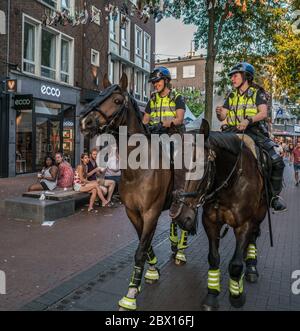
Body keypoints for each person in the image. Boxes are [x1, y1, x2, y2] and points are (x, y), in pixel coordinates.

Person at [216, 62, 287, 212]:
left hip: (253, 131)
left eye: (235, 76)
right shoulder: (232, 95)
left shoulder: (257, 93)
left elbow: (263, 113)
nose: (232, 79)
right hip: (232, 131)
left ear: (246, 76)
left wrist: (248, 120)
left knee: (277, 161)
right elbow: (224, 115)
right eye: (232, 76)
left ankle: (273, 197)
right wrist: (220, 113)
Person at [143, 66, 186, 132]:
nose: (155, 84)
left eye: (157, 81)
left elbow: (179, 120)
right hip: (154, 136)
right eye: (153, 82)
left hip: (172, 135)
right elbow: (145, 121)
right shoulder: (152, 100)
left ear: (166, 80)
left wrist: (162, 125)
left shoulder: (177, 97)